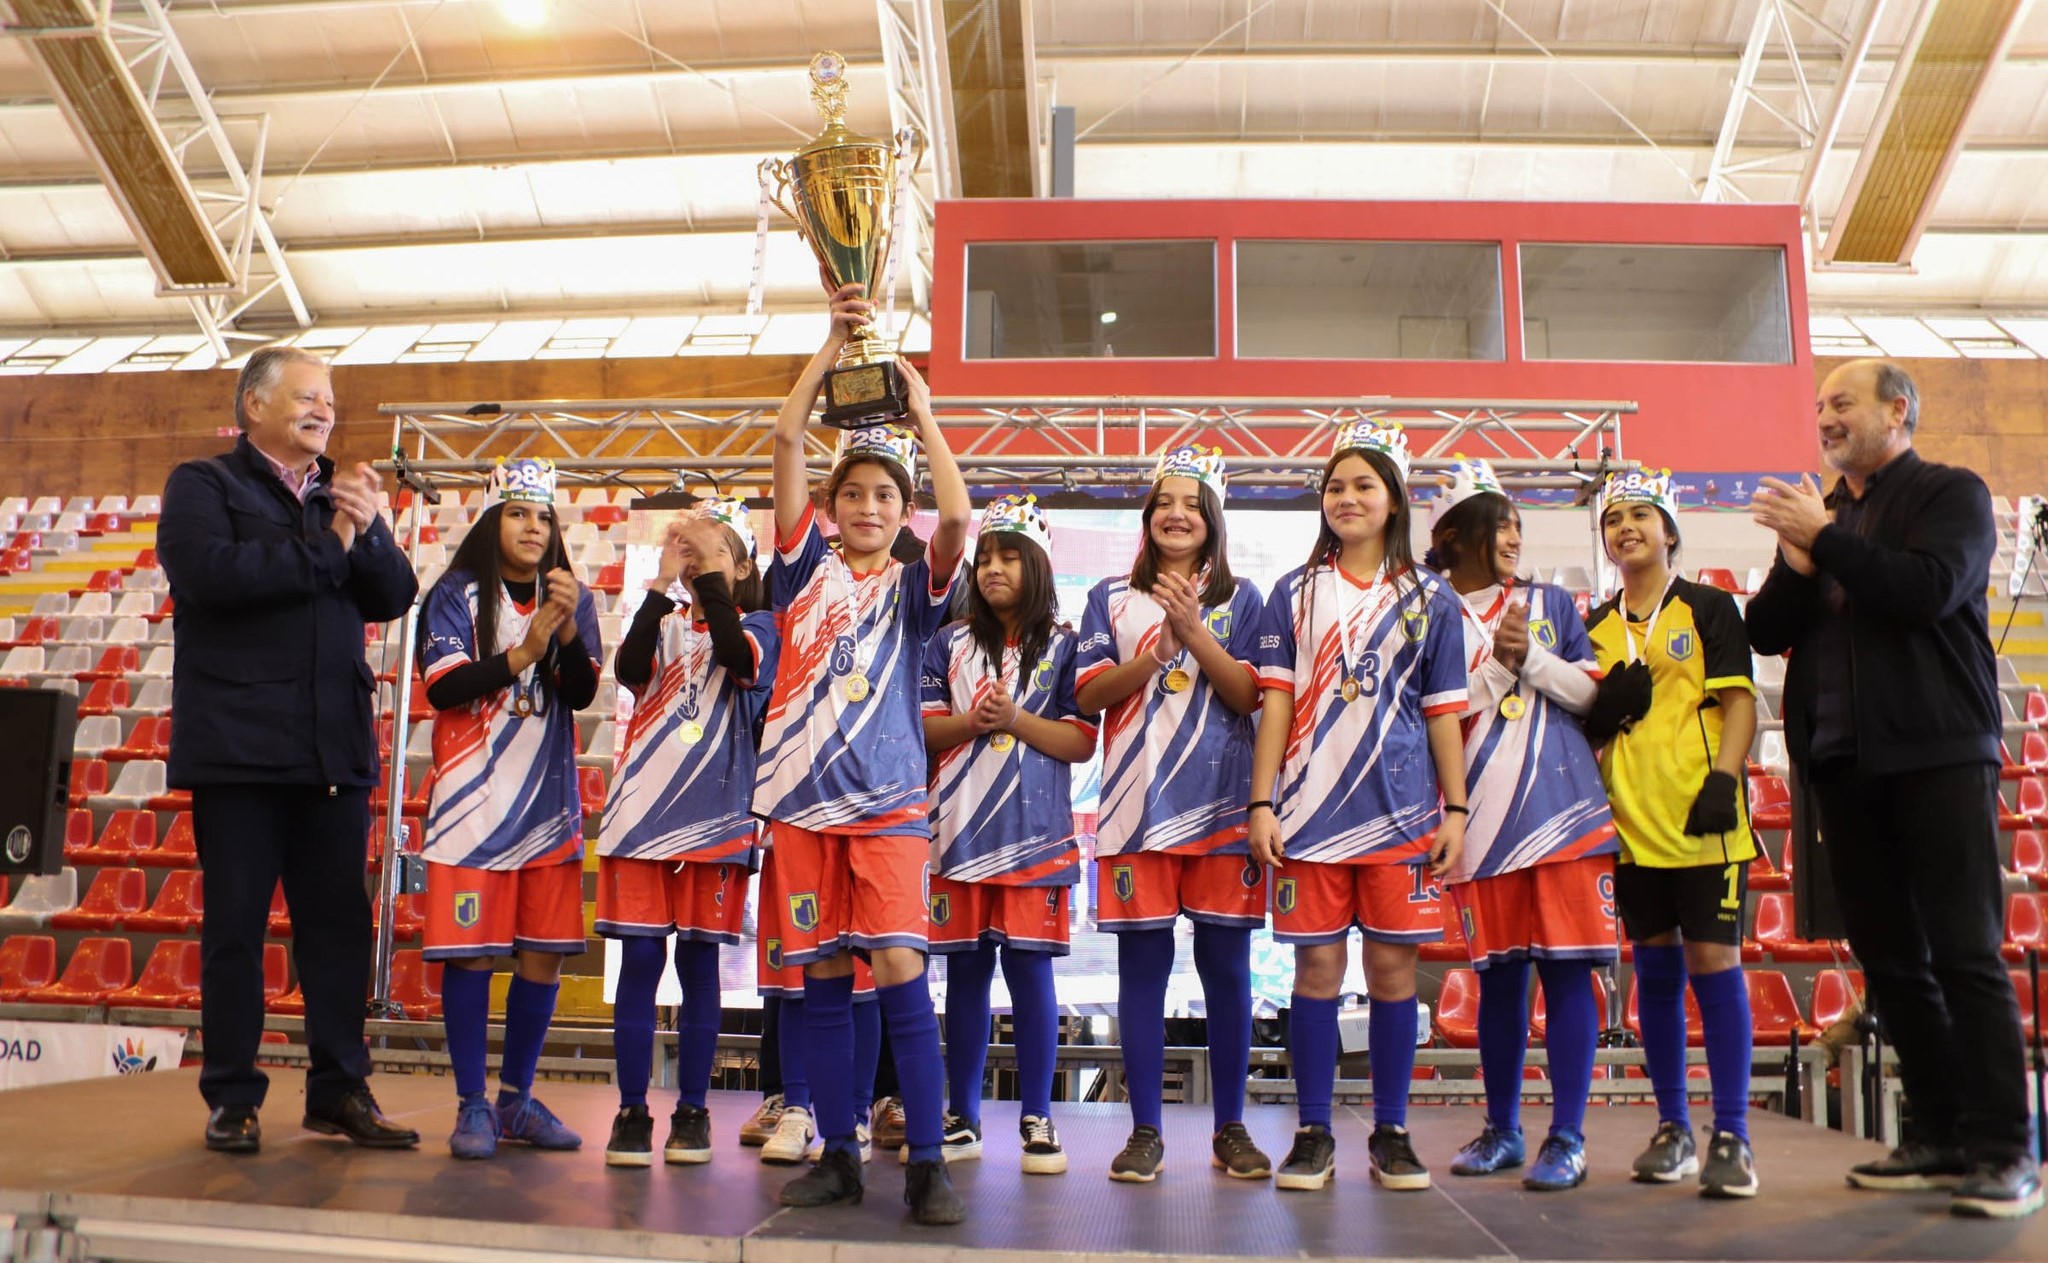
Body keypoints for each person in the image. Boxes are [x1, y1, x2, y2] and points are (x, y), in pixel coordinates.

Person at [1748, 359, 2042, 1219]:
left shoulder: (1952, 493)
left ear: (1898, 410)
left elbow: (1925, 592)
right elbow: (1768, 630)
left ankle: (2005, 1149)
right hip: (1842, 763)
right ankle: (1941, 1134)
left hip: (1939, 753)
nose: (1825, 417)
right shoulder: (1826, 516)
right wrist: (1803, 558)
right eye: (1819, 406)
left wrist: (1827, 539)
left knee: (1964, 951)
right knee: (1891, 962)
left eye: (1842, 402)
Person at [159, 346, 421, 1154]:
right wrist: (334, 540)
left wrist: (366, 529)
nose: (324, 410)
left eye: (331, 399)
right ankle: (233, 1095)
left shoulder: (341, 499)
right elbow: (212, 575)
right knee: (235, 926)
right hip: (239, 748)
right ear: (254, 407)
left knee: (337, 928)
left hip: (331, 750)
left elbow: (396, 593)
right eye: (306, 396)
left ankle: (338, 1090)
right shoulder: (204, 485)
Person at [754, 282, 972, 1225]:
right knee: (821, 979)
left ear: (902, 509)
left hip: (887, 803)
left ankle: (927, 1161)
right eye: (855, 493)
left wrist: (919, 411)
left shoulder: (917, 587)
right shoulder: (801, 566)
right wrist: (827, 347)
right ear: (831, 508)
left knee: (897, 970)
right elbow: (786, 439)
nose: (870, 505)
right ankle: (838, 1153)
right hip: (802, 806)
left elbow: (958, 522)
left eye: (887, 495)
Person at [1248, 421, 1468, 1193]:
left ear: (1394, 499)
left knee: (1390, 971)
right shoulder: (1294, 593)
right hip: (1306, 815)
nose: (1346, 497)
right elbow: (1273, 704)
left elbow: (1443, 711)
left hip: (1402, 815)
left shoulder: (1431, 596)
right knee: (1315, 969)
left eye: (1363, 485)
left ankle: (1392, 1130)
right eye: (1335, 486)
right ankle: (1312, 1131)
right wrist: (1263, 800)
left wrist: (1458, 809)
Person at [1077, 444, 1269, 1184]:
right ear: (1148, 517)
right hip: (1136, 814)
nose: (1177, 514)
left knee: (1227, 969)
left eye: (1192, 504)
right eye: (1165, 503)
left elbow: (1252, 696)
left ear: (1212, 519)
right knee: (1143, 972)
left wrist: (1196, 634)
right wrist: (1157, 652)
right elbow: (1090, 697)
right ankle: (1145, 1129)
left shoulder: (1247, 598)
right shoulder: (1109, 599)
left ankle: (1232, 1127)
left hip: (1223, 815)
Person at [1424, 457, 1617, 1192]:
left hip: (1562, 813)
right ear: (1457, 533)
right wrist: (1499, 674)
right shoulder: (1426, 609)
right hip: (1477, 821)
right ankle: (1503, 1129)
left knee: (1569, 975)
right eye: (1499, 522)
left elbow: (1589, 695)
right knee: (1499, 981)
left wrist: (1531, 657)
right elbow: (1430, 713)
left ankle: (1567, 1136)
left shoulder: (1550, 601)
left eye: (1517, 524)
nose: (1512, 535)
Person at [416, 456, 603, 1160]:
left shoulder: (569, 597)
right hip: (471, 807)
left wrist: (561, 632)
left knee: (542, 960)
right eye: (519, 513)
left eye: (544, 515)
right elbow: (444, 688)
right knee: (469, 958)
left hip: (547, 809)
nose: (533, 526)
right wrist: (525, 647)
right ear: (493, 519)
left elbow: (581, 693)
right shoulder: (456, 594)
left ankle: (516, 1098)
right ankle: (472, 1102)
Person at [1582, 468, 1759, 1198]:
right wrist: (1601, 714)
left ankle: (1734, 1135)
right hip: (1631, 825)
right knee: (1653, 971)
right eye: (1614, 517)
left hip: (1703, 820)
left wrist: (1725, 778)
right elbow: (1581, 720)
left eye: (1641, 515)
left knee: (1715, 963)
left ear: (1669, 529)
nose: (1627, 527)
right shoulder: (1593, 623)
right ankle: (1675, 1127)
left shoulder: (1710, 607)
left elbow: (1740, 702)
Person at [597, 500, 779, 1167]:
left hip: (716, 819)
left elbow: (738, 658)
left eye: (716, 554)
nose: (699, 565)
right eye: (691, 554)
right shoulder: (663, 621)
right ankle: (630, 1108)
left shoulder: (762, 624)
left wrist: (709, 581)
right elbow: (628, 669)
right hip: (641, 821)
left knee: (699, 965)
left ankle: (695, 1109)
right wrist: (659, 584)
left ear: (745, 567)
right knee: (642, 965)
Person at [922, 495, 1097, 1175]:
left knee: (1031, 977)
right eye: (985, 555)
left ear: (1039, 565)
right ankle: (962, 1114)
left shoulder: (1068, 645)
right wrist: (972, 722)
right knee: (965, 976)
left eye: (1009, 555)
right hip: (958, 838)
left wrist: (1014, 720)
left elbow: (1081, 741)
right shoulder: (948, 642)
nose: (993, 567)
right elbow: (924, 727)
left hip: (1037, 841)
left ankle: (1038, 1116)